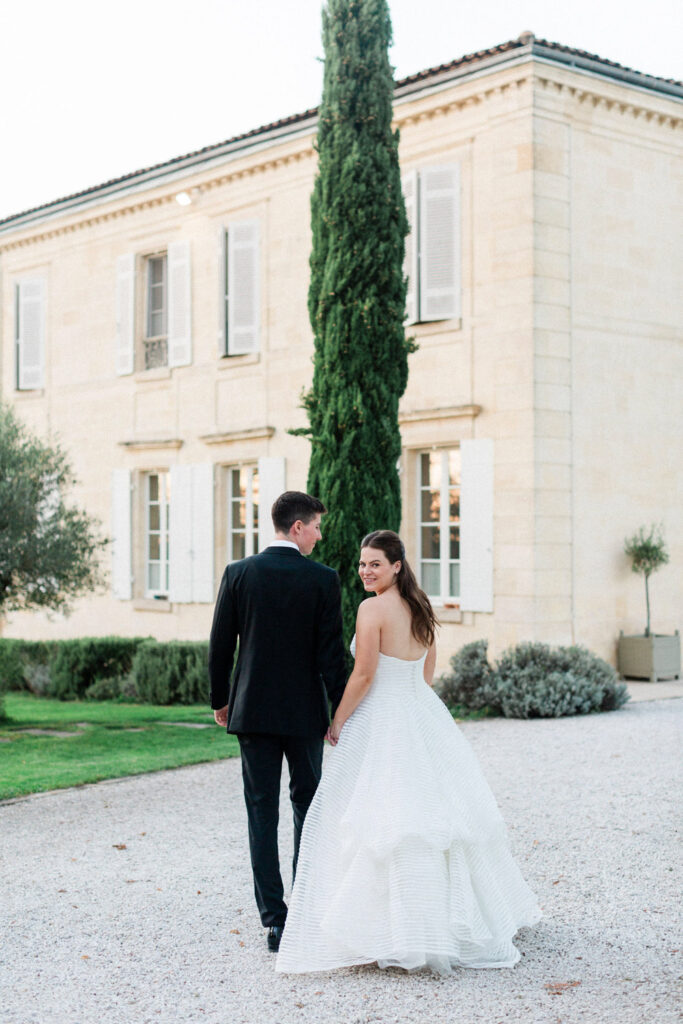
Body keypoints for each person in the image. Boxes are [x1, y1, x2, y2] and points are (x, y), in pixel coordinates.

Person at [276, 529, 542, 975]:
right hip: (421, 713)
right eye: (362, 564)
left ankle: (393, 929)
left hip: (383, 716)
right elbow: (426, 674)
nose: (365, 571)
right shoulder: (420, 608)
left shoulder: (372, 609)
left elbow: (362, 676)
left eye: (375, 563)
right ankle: (437, 922)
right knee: (432, 814)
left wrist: (338, 719)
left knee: (384, 816)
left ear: (397, 565)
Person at [209, 491, 348, 953]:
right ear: (296, 528)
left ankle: (274, 920)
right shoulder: (323, 580)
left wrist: (220, 699)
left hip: (252, 711)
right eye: (315, 526)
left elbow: (219, 646)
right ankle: (305, 907)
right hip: (306, 713)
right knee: (308, 810)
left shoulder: (238, 574)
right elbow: (331, 655)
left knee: (260, 811)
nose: (320, 535)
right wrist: (341, 710)